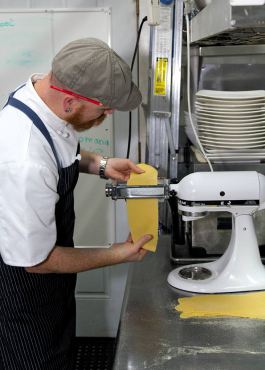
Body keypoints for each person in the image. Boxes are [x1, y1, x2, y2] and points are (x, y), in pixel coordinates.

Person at [0, 38, 152, 370]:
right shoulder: (25, 161)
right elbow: (38, 261)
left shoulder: (38, 94)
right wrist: (117, 254)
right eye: (104, 108)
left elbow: (56, 146)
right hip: (22, 296)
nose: (108, 113)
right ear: (69, 102)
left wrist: (99, 164)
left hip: (50, 285)